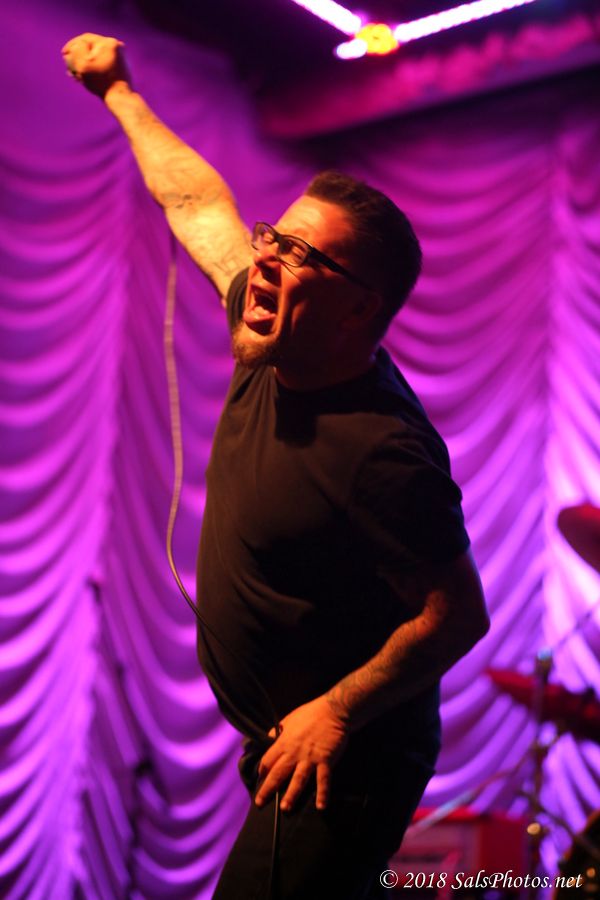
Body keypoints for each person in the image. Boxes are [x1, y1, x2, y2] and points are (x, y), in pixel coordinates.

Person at [62, 34, 490, 899]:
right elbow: (197, 204)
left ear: (356, 310)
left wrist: (335, 711)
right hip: (283, 741)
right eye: (274, 239)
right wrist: (119, 93)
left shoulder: (383, 449)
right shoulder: (276, 338)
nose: (265, 261)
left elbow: (456, 615)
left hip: (349, 761)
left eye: (301, 256)